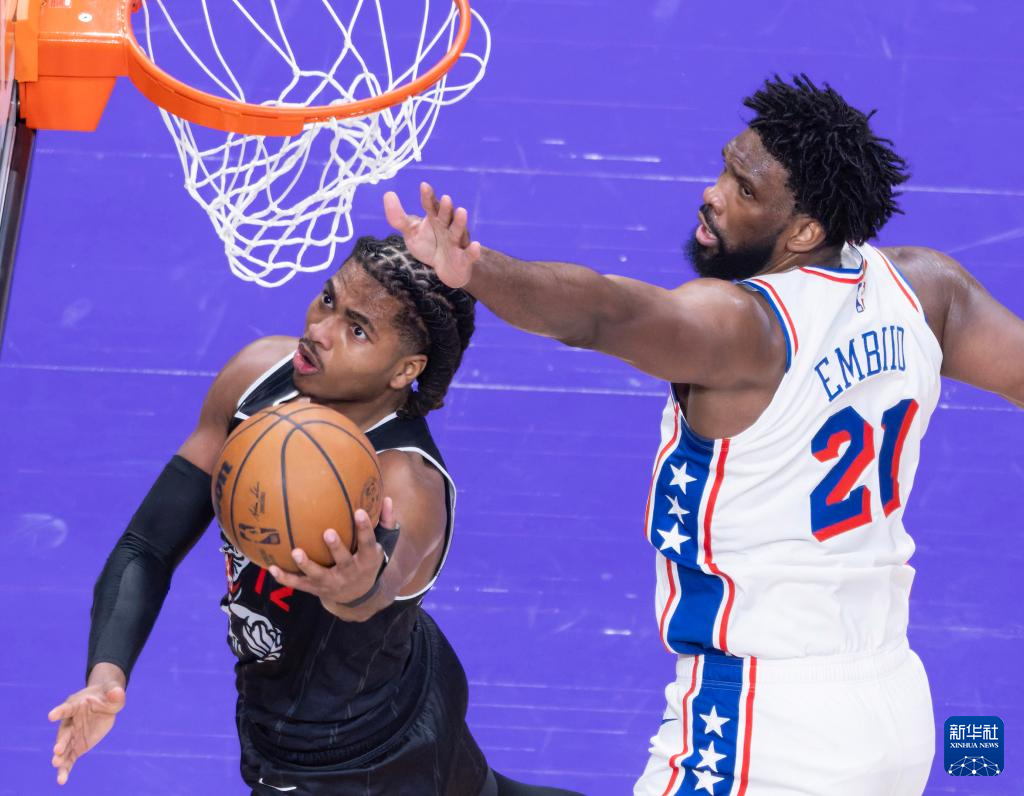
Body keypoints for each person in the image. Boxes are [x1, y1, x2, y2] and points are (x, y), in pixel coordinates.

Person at [383, 74, 1024, 795]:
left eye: (744, 190)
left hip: (764, 722)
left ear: (804, 232)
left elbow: (603, 313)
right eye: (725, 168)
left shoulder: (746, 327)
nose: (712, 194)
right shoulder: (926, 291)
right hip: (895, 706)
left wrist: (476, 270)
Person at [49, 235, 582, 796]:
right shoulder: (258, 378)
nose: (319, 331)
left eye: (357, 330)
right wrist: (105, 676)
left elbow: (374, 594)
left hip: (355, 759)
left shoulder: (406, 484)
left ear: (405, 369)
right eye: (328, 300)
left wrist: (353, 591)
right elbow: (148, 546)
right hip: (372, 689)